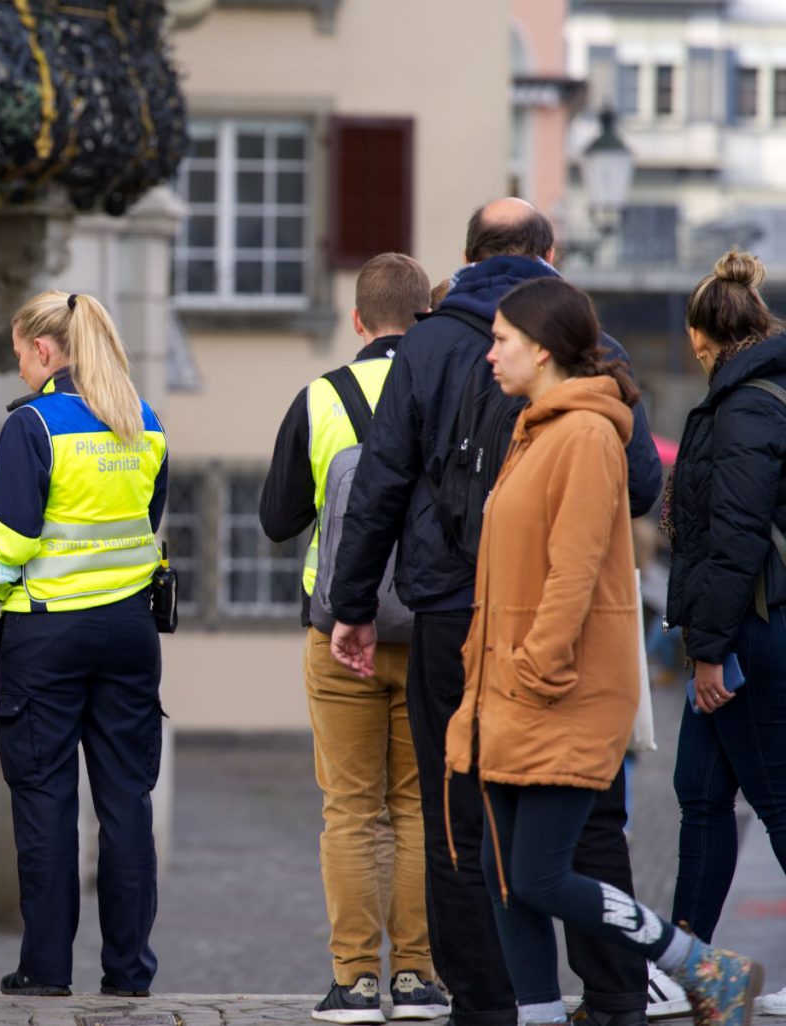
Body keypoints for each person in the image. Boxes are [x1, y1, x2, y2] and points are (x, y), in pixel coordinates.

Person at [327, 199, 668, 1026]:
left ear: (471, 255)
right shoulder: (588, 349)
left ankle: (491, 1001)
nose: (493, 352)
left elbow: (382, 482)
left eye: (505, 343)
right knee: (581, 820)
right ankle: (607, 994)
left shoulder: (438, 345)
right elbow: (642, 491)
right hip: (511, 630)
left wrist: (353, 603)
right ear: (548, 252)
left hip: (478, 623)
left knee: (467, 824)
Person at [445, 276, 765, 1026]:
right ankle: (537, 1015)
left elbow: (576, 569)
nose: (489, 353)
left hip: (556, 689)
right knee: (504, 874)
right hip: (507, 690)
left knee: (540, 874)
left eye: (501, 340)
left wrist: (536, 665)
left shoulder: (586, 434)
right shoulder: (535, 429)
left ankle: (701, 966)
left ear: (543, 349)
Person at [0, 290, 168, 999]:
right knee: (126, 803)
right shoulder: (144, 421)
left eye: (20, 353)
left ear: (45, 350)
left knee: (46, 801)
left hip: (48, 636)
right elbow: (145, 523)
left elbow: (15, 545)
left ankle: (45, 970)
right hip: (130, 632)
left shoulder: (33, 425)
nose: (19, 366)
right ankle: (129, 973)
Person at [260, 253, 447, 1023]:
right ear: (426, 316)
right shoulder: (449, 386)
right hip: (431, 628)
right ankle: (416, 977)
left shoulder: (321, 397)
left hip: (339, 631)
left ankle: (356, 982)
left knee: (350, 810)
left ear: (358, 320)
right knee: (417, 808)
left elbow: (278, 520)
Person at [661, 252, 786, 1016]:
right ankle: (687, 968)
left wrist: (709, 651)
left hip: (752, 633)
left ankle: (685, 968)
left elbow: (734, 538)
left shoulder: (744, 406)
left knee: (777, 802)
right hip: (745, 625)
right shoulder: (755, 394)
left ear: (701, 334)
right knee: (701, 794)